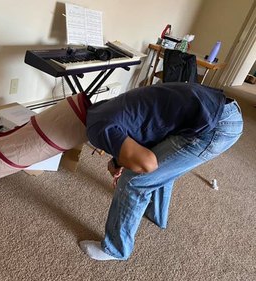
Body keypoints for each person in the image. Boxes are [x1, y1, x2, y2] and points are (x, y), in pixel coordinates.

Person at [79, 82, 243, 261]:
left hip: (214, 127)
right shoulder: (106, 108)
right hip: (221, 107)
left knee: (134, 181)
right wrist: (118, 161)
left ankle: (115, 249)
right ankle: (155, 215)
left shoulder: (97, 127)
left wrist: (123, 164)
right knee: (162, 164)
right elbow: (145, 138)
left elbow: (147, 164)